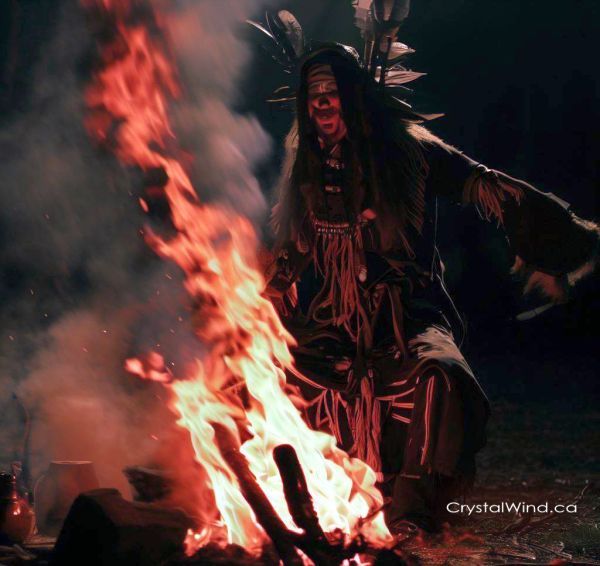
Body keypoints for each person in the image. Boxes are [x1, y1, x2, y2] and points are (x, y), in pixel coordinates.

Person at [264, 42, 598, 534]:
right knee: (272, 371)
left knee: (439, 375)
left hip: (408, 315)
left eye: (332, 92)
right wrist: (262, 309)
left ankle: (410, 511)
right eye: (313, 94)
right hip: (331, 321)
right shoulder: (308, 166)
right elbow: (291, 250)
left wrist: (564, 246)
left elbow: (485, 184)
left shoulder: (411, 153)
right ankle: (315, 494)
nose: (321, 104)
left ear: (355, 97)